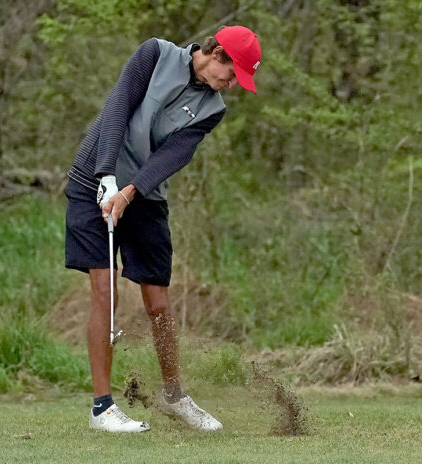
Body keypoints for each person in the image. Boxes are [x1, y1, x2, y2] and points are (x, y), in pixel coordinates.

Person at [64, 26, 261, 432]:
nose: (232, 85)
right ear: (216, 53)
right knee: (106, 292)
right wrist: (106, 176)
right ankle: (102, 409)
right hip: (93, 183)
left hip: (145, 196)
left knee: (158, 303)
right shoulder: (154, 55)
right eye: (232, 74)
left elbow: (175, 153)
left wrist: (130, 191)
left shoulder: (214, 108)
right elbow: (117, 108)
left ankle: (175, 396)